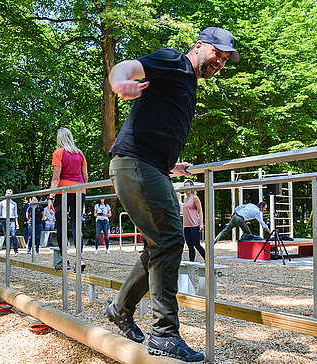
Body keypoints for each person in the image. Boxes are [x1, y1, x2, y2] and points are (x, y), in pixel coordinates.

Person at [103, 27, 239, 362]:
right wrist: (119, 83)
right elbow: (125, 67)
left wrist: (172, 164)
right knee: (169, 240)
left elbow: (157, 124)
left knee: (160, 244)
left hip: (153, 166)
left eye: (224, 59)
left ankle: (120, 308)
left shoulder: (188, 82)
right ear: (198, 47)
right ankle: (163, 334)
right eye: (216, 53)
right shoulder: (173, 60)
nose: (220, 61)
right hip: (136, 165)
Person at [47, 127, 88, 270]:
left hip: (63, 192)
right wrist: (83, 192)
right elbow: (85, 177)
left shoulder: (58, 153)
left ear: (59, 139)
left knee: (61, 226)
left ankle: (64, 260)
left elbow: (55, 177)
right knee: (77, 225)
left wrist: (50, 198)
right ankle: (80, 258)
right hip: (79, 191)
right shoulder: (80, 153)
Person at [182, 180, 205, 262]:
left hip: (194, 225)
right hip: (186, 226)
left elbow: (200, 211)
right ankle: (191, 264)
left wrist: (201, 223)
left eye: (188, 186)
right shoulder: (185, 199)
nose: (186, 188)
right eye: (185, 186)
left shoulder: (195, 198)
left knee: (196, 244)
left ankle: (208, 260)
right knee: (190, 246)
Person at [0, 189, 20, 254]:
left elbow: (15, 214)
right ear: (6, 194)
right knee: (6, 236)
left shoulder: (14, 204)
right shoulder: (2, 203)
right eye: (8, 193)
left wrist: (17, 223)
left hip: (11, 220)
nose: (9, 195)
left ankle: (16, 250)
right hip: (4, 220)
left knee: (13, 235)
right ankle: (8, 250)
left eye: (11, 194)